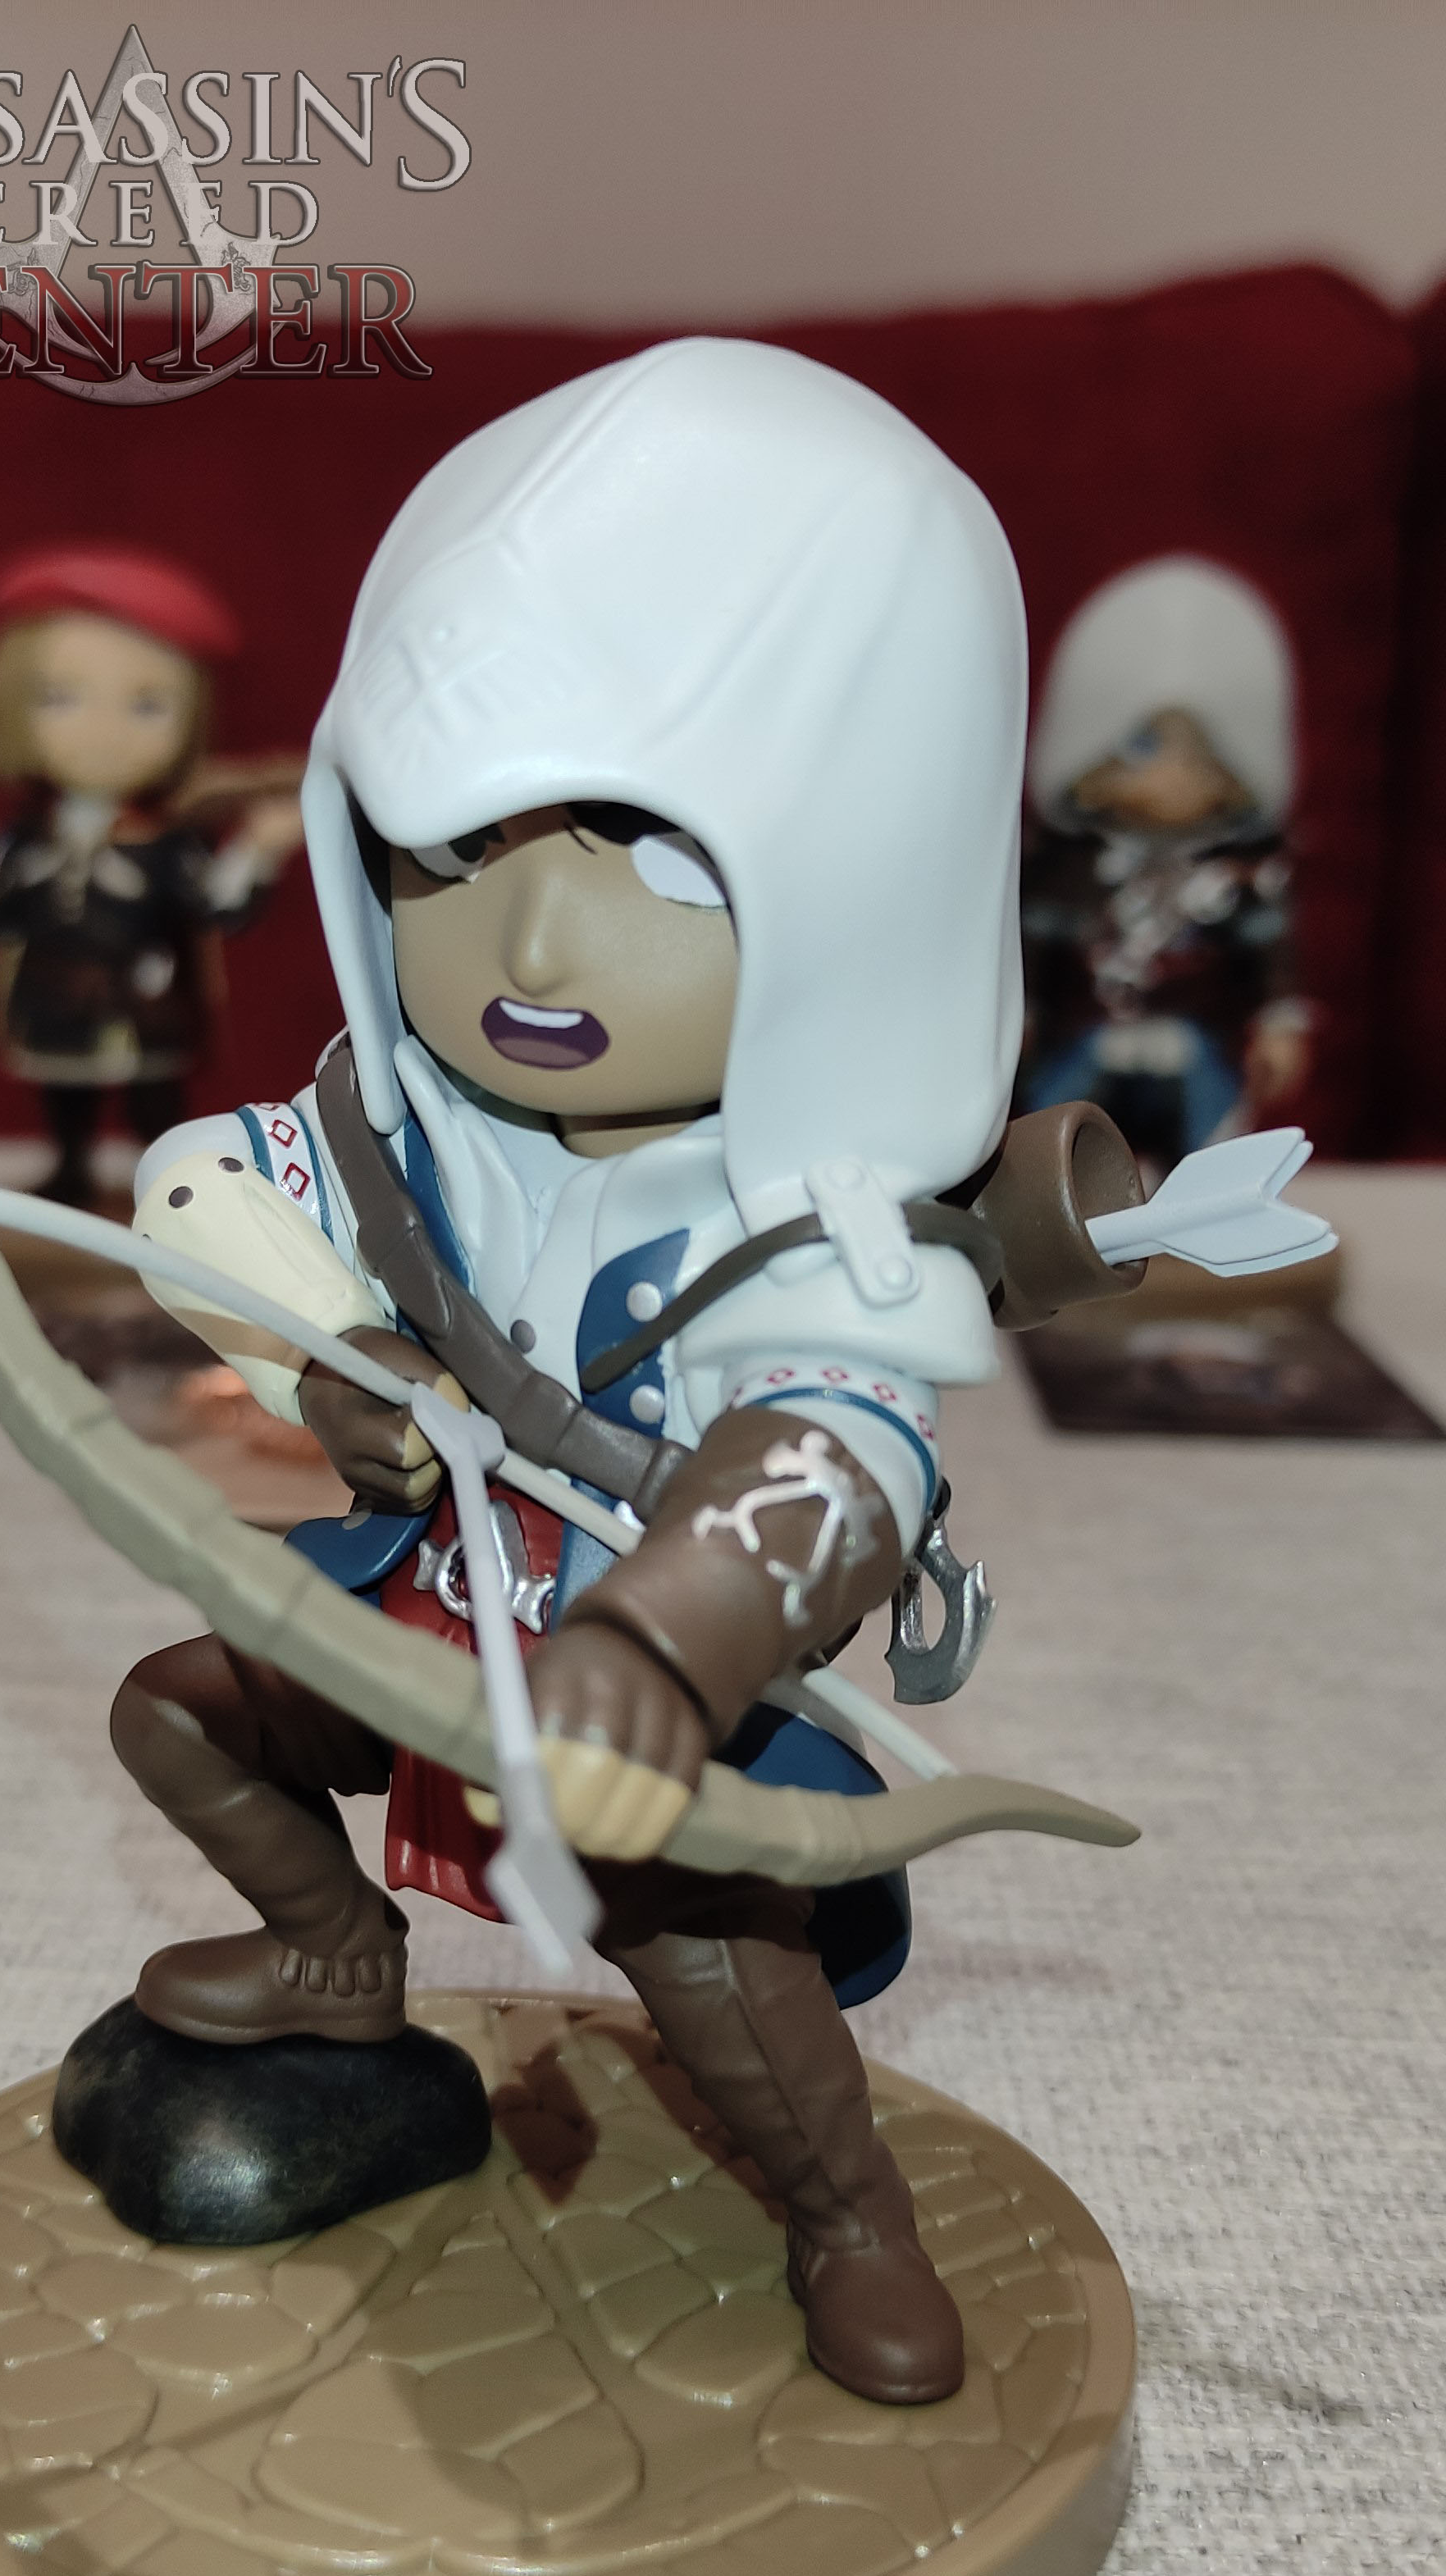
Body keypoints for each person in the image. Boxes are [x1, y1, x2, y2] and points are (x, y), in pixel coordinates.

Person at [98, 340, 1065, 2409]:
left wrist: (662, 1641)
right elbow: (205, 1184)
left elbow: (839, 1454)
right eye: (456, 850)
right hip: (433, 1610)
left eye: (646, 850)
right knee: (182, 1712)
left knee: (706, 1954)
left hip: (636, 1671)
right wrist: (328, 1361)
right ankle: (335, 1957)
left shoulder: (815, 1215)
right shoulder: (416, 1120)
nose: (530, 947)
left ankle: (846, 2217)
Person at [0, 545, 303, 1207]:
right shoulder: (25, 839)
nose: (102, 730)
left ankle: (174, 1186)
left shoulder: (168, 843)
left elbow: (217, 907)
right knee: (65, 1099)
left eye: (147, 705)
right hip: (54, 1006)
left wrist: (257, 851)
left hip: (146, 1009)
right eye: (60, 697)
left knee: (156, 1107)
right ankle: (71, 1172)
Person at [1016, 554, 1313, 1168]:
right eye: (1146, 747)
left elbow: (1267, 954)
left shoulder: (1240, 876)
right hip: (1086, 1038)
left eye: (1199, 756)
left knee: (1213, 1133)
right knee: (1052, 1134)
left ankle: (1215, 1192)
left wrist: (1279, 1023)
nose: (1170, 778)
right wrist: (1014, 1018)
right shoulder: (1066, 870)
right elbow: (1031, 950)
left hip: (1193, 1044)